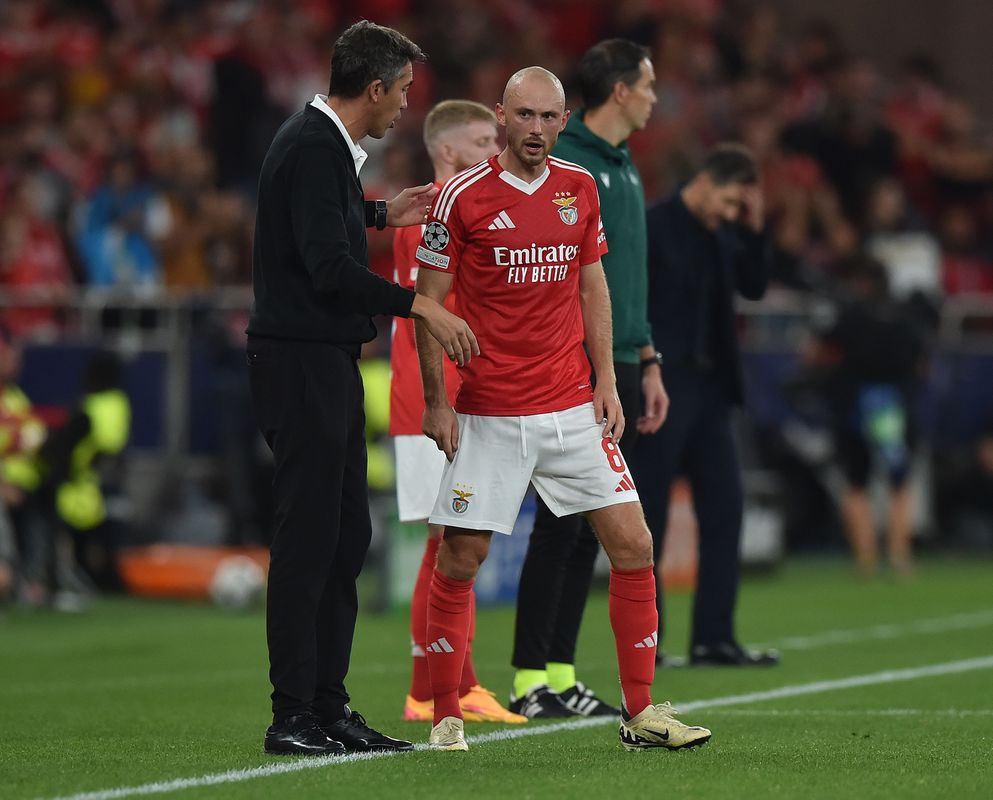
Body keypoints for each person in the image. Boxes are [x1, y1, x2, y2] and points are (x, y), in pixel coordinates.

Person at [414, 66, 711, 753]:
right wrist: (438, 401)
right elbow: (425, 304)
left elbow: (592, 286)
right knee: (462, 557)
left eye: (551, 118)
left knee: (633, 545)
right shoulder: (459, 197)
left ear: (564, 120)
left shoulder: (578, 188)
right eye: (525, 117)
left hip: (571, 406)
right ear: (502, 116)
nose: (539, 131)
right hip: (488, 411)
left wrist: (606, 379)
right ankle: (445, 714)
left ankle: (640, 712)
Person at [247, 21, 479, 758]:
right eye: (403, 91)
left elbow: (317, 232)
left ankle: (328, 706)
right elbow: (326, 269)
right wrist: (420, 303)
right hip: (301, 362)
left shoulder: (322, 148)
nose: (405, 106)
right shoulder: (315, 147)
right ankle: (293, 716)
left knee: (344, 536)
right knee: (308, 540)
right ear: (373, 88)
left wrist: (383, 213)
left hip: (323, 361)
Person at [509, 39, 668, 719]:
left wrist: (645, 356)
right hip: (571, 370)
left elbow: (620, 280)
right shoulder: (568, 159)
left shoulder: (621, 165)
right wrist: (592, 367)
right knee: (558, 526)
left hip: (621, 365)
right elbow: (565, 278)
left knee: (586, 531)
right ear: (620, 92)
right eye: (648, 84)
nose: (656, 96)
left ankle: (559, 672)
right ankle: (528, 678)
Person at [391, 99, 525, 725]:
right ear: (446, 151)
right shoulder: (440, 217)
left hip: (454, 394)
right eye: (480, 142)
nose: (493, 151)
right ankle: (436, 688)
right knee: (445, 544)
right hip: (432, 398)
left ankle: (449, 683)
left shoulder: (449, 211)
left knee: (452, 542)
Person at [634, 144, 778, 666]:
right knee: (648, 521)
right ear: (707, 180)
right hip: (661, 390)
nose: (732, 214)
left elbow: (756, 286)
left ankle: (714, 637)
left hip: (713, 393)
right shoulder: (653, 225)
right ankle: (647, 645)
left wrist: (757, 226)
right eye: (731, 203)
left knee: (725, 512)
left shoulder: (723, 235)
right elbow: (630, 305)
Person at [810, 256, 926, 575]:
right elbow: (922, 361)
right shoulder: (906, 318)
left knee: (856, 481)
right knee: (899, 481)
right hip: (895, 406)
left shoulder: (851, 315)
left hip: (856, 406)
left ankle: (866, 558)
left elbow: (818, 350)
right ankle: (900, 555)